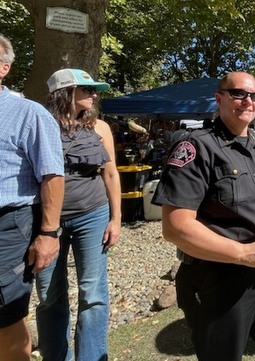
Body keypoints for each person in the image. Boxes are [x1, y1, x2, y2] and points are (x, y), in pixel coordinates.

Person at [152, 71, 255, 360]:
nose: (248, 101)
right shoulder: (196, 147)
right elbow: (175, 227)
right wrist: (242, 253)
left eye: (254, 96)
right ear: (219, 98)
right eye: (238, 94)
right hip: (217, 273)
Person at [34, 68, 121, 361]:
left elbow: (110, 174)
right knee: (48, 296)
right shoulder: (39, 123)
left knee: (93, 294)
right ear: (65, 92)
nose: (94, 95)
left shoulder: (100, 128)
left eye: (94, 90)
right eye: (87, 90)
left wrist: (116, 219)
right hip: (46, 222)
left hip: (92, 214)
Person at [0, 34, 65, 361]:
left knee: (4, 314)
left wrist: (48, 233)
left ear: (4, 68)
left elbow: (52, 176)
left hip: (9, 224)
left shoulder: (29, 113)